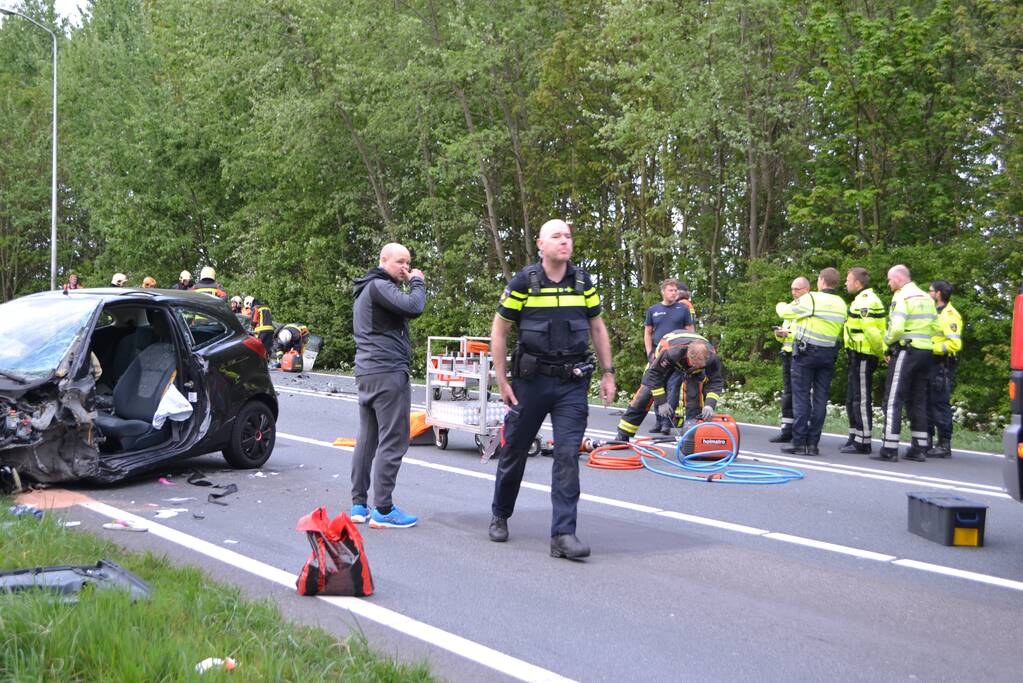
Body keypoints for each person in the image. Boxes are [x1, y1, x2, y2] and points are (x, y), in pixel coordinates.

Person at [489, 219, 615, 560]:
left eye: (569, 236)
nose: (565, 241)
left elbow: (597, 327)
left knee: (566, 455)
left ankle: (563, 535)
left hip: (572, 383)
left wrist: (608, 372)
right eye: (556, 236)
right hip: (531, 383)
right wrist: (502, 381)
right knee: (515, 449)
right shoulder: (523, 283)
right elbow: (499, 332)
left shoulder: (583, 282)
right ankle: (500, 513)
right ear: (541, 245)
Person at [350, 243, 426, 529]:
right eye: (400, 262)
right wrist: (417, 281)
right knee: (394, 439)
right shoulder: (379, 285)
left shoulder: (367, 287)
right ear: (383, 260)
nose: (405, 268)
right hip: (387, 372)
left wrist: (408, 280)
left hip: (368, 372)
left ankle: (359, 504)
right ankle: (383, 508)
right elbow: (413, 306)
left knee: (368, 438)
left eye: (408, 263)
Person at [775, 267, 847, 456]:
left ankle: (799, 442)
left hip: (807, 354)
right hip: (829, 354)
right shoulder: (841, 303)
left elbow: (786, 313)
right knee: (821, 399)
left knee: (801, 397)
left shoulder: (812, 298)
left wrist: (781, 304)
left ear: (821, 281)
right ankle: (813, 444)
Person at [877, 264, 938, 462]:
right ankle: (919, 448)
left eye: (889, 279)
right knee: (918, 399)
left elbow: (896, 329)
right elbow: (936, 326)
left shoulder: (902, 296)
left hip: (907, 351)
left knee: (893, 399)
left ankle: (889, 448)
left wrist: (886, 343)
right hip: (926, 352)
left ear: (899, 278)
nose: (888, 283)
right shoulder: (927, 298)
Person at [616, 332, 723, 441]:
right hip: (664, 359)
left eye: (700, 365)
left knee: (694, 395)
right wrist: (661, 401)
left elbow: (715, 382)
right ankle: (623, 435)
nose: (696, 367)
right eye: (694, 364)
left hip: (688, 358)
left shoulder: (712, 358)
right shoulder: (672, 352)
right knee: (645, 394)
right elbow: (654, 376)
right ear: (688, 355)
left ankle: (691, 437)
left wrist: (710, 404)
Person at [840, 267, 887, 454]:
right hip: (856, 354)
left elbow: (872, 331)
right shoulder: (860, 300)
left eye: (848, 279)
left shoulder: (866, 302)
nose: (845, 282)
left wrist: (882, 352)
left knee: (861, 398)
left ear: (857, 283)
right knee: (852, 397)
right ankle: (855, 436)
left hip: (863, 355)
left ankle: (864, 441)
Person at [643, 279, 694, 433]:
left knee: (673, 389)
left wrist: (689, 352)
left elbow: (690, 331)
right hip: (658, 355)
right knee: (657, 387)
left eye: (676, 291)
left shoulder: (683, 309)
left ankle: (667, 423)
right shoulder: (653, 310)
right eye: (671, 290)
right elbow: (647, 333)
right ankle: (658, 421)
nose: (674, 293)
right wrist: (649, 352)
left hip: (677, 355)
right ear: (663, 291)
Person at [769, 277, 811, 443]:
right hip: (787, 352)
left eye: (797, 289)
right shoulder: (792, 307)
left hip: (801, 354)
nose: (794, 293)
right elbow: (786, 331)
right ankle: (787, 429)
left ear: (807, 289)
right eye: (792, 289)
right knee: (788, 393)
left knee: (801, 394)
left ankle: (801, 431)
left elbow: (805, 333)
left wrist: (790, 334)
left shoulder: (809, 306)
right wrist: (779, 334)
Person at [926, 280, 962, 458]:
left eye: (931, 290)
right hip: (929, 362)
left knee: (939, 403)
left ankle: (944, 444)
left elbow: (955, 344)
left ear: (938, 293)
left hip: (941, 364)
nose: (928, 293)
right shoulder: (932, 312)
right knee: (926, 402)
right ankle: (927, 441)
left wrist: (932, 349)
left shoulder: (950, 315)